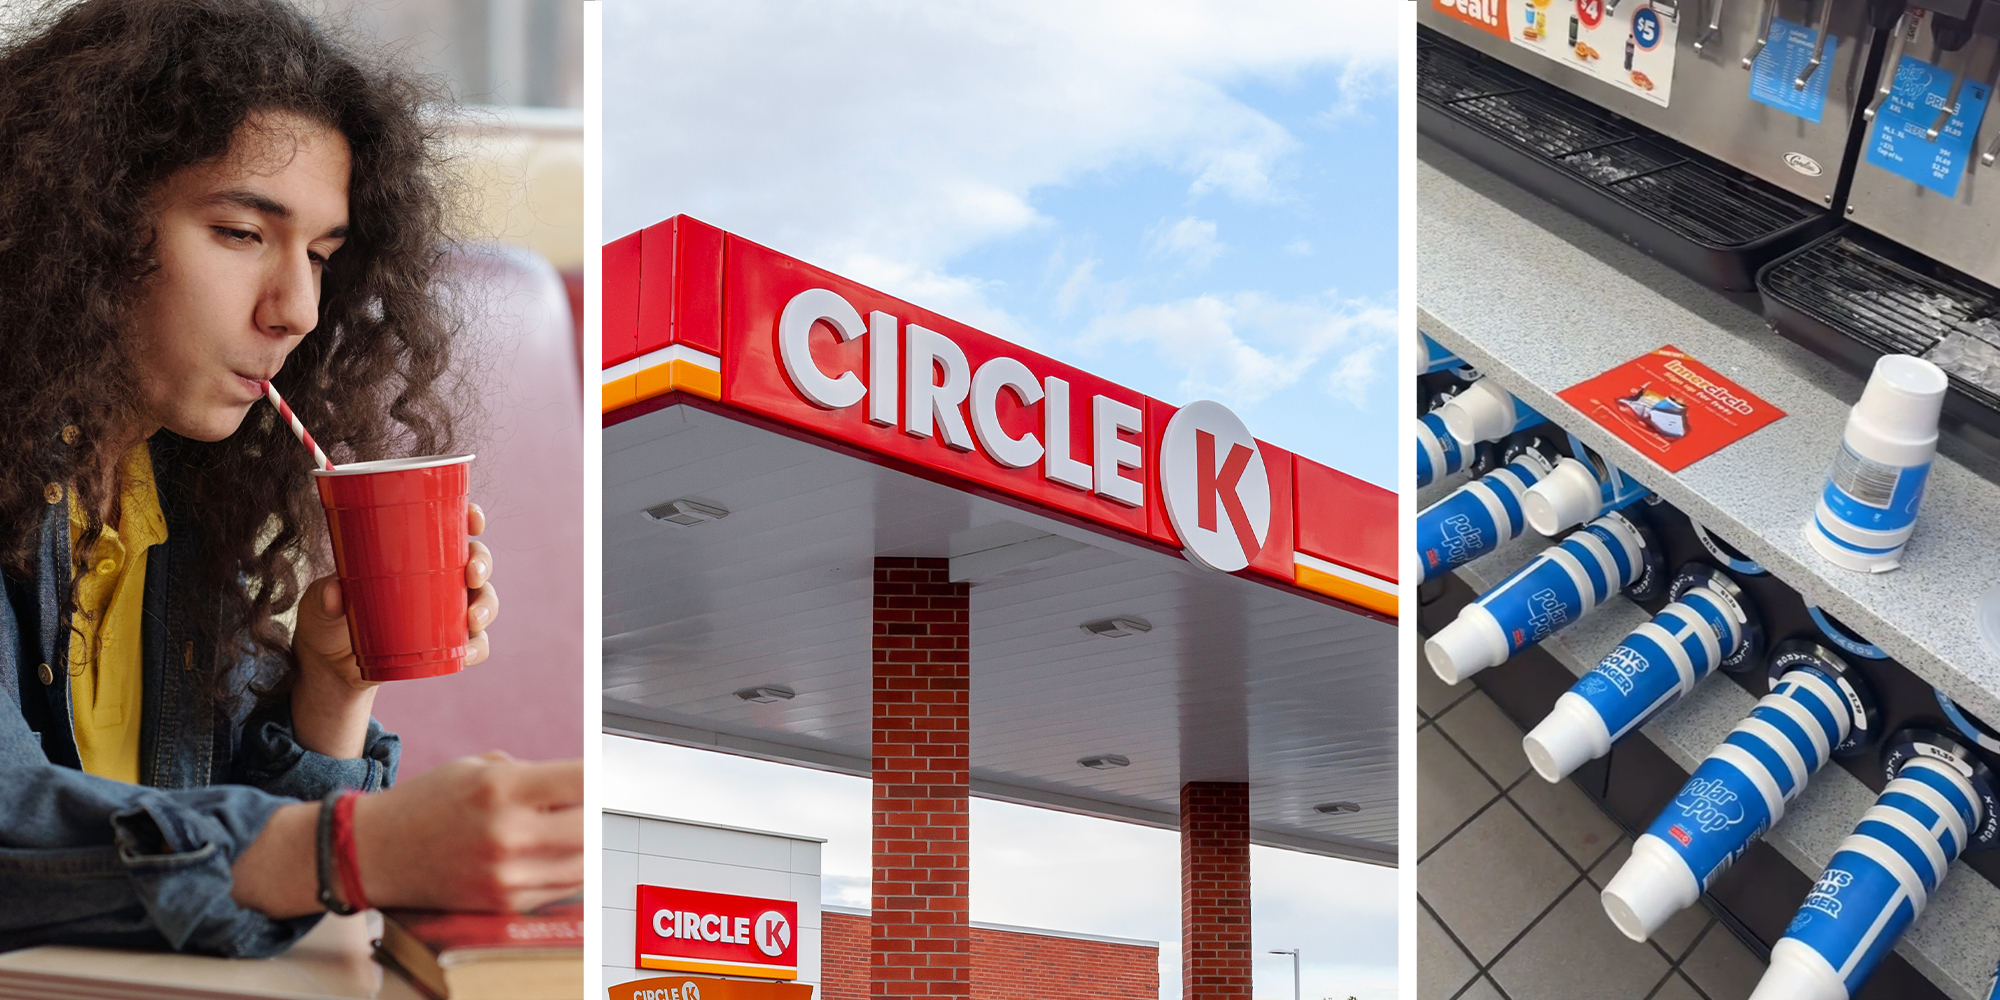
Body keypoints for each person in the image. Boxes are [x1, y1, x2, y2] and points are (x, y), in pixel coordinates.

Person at [0, 0, 583, 958]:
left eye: (320, 256)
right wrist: (354, 847)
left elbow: (224, 894)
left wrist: (332, 687)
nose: (298, 309)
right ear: (84, 220)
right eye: (239, 233)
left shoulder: (173, 501)